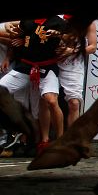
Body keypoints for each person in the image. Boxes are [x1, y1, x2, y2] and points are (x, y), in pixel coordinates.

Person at [1, 16, 69, 154]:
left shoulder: (57, 22)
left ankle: (60, 141)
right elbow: (16, 32)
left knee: (51, 101)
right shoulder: (28, 20)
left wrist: (59, 35)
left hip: (47, 67)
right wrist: (13, 32)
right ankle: (13, 135)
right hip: (25, 66)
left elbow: (70, 38)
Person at [58, 21, 97, 127]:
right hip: (52, 63)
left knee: (74, 103)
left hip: (73, 66)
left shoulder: (88, 22)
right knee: (47, 101)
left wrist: (72, 51)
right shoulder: (57, 18)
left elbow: (93, 47)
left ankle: (72, 136)